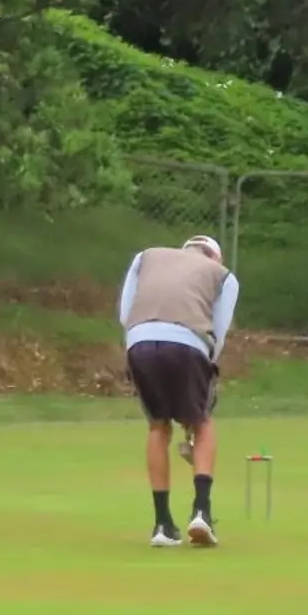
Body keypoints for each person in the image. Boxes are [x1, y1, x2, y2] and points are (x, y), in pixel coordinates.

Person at [119, 234, 238, 549]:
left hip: (139, 341)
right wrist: (200, 395)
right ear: (214, 257)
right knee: (203, 422)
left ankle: (162, 524)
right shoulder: (223, 275)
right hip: (189, 343)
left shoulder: (146, 255)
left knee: (158, 424)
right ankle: (201, 512)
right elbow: (218, 334)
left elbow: (124, 314)